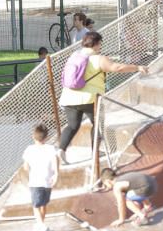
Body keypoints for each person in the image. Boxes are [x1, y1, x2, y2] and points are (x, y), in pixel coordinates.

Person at [57, 32, 147, 163]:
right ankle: (95, 153)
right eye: (100, 43)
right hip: (91, 99)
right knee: (98, 125)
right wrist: (137, 67)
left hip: (69, 97)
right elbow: (117, 68)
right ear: (97, 44)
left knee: (72, 126)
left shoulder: (74, 56)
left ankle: (61, 151)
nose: (100, 46)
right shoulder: (98, 59)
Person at [22, 124, 61, 231]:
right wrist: (56, 175)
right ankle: (40, 226)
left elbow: (25, 167)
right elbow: (56, 161)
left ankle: (41, 226)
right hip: (48, 181)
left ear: (33, 137)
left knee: (35, 206)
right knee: (43, 204)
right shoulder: (51, 148)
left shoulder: (29, 149)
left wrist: (30, 171)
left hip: (35, 181)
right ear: (46, 137)